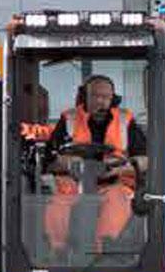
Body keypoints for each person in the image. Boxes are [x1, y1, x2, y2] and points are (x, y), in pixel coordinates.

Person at [40, 73, 149, 256]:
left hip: (113, 181)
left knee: (118, 198)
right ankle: (57, 251)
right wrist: (66, 162)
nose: (101, 101)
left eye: (105, 97)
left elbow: (145, 160)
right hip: (74, 181)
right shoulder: (68, 119)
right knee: (58, 200)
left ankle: (103, 252)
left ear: (112, 99)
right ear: (85, 97)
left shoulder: (125, 121)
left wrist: (123, 167)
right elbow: (49, 161)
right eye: (95, 96)